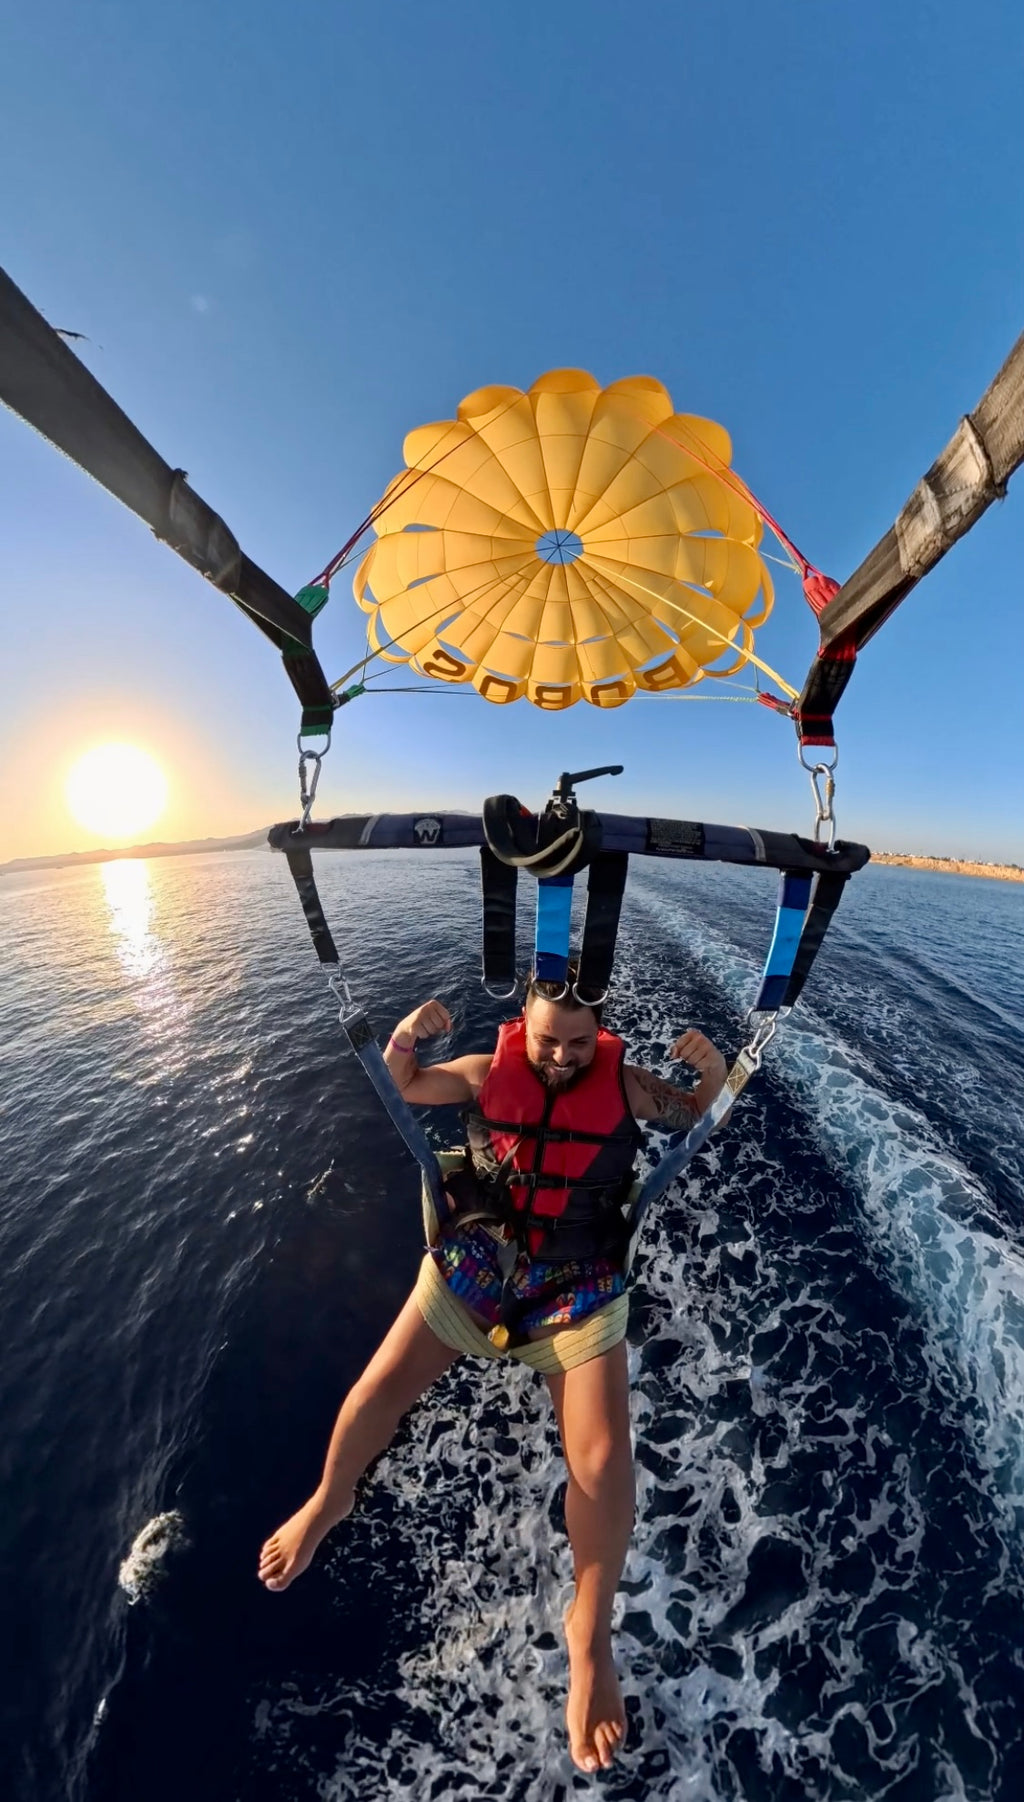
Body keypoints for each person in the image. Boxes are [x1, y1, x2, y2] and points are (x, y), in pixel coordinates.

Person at [258, 975, 728, 1775]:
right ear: (525, 1025)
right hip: (482, 1255)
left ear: (600, 1037)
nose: (561, 1057)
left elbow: (696, 1112)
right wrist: (408, 1032)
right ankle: (328, 1501)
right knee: (376, 1389)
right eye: (548, 1040)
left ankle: (590, 1632)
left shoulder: (623, 1084)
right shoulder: (486, 1071)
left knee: (606, 1462)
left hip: (576, 1279)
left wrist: (712, 1069)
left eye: (579, 1044)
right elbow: (401, 1083)